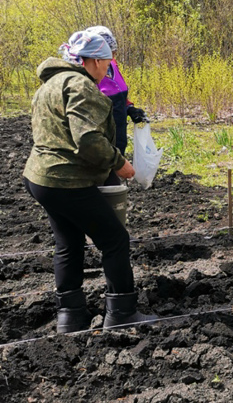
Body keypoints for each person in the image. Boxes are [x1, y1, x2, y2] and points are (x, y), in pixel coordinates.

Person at [23, 31, 159, 333]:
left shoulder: (49, 84)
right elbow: (87, 139)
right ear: (94, 61)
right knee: (114, 239)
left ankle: (71, 317)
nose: (108, 70)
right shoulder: (81, 86)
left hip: (40, 177)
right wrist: (119, 164)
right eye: (107, 64)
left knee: (68, 243)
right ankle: (122, 312)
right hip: (66, 181)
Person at [85, 25, 146, 156]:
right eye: (110, 52)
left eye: (114, 51)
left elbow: (120, 94)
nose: (113, 55)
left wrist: (130, 109)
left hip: (119, 135)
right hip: (102, 140)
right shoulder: (87, 77)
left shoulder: (113, 66)